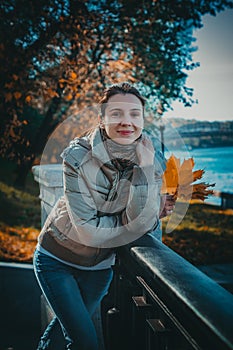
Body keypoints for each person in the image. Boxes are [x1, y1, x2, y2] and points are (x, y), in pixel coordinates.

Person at [33, 82, 175, 350]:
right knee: (86, 341)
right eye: (117, 113)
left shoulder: (150, 160)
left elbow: (146, 226)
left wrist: (143, 170)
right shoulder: (77, 157)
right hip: (57, 259)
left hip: (99, 270)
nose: (127, 122)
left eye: (135, 114)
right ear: (101, 119)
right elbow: (88, 230)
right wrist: (145, 213)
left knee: (73, 327)